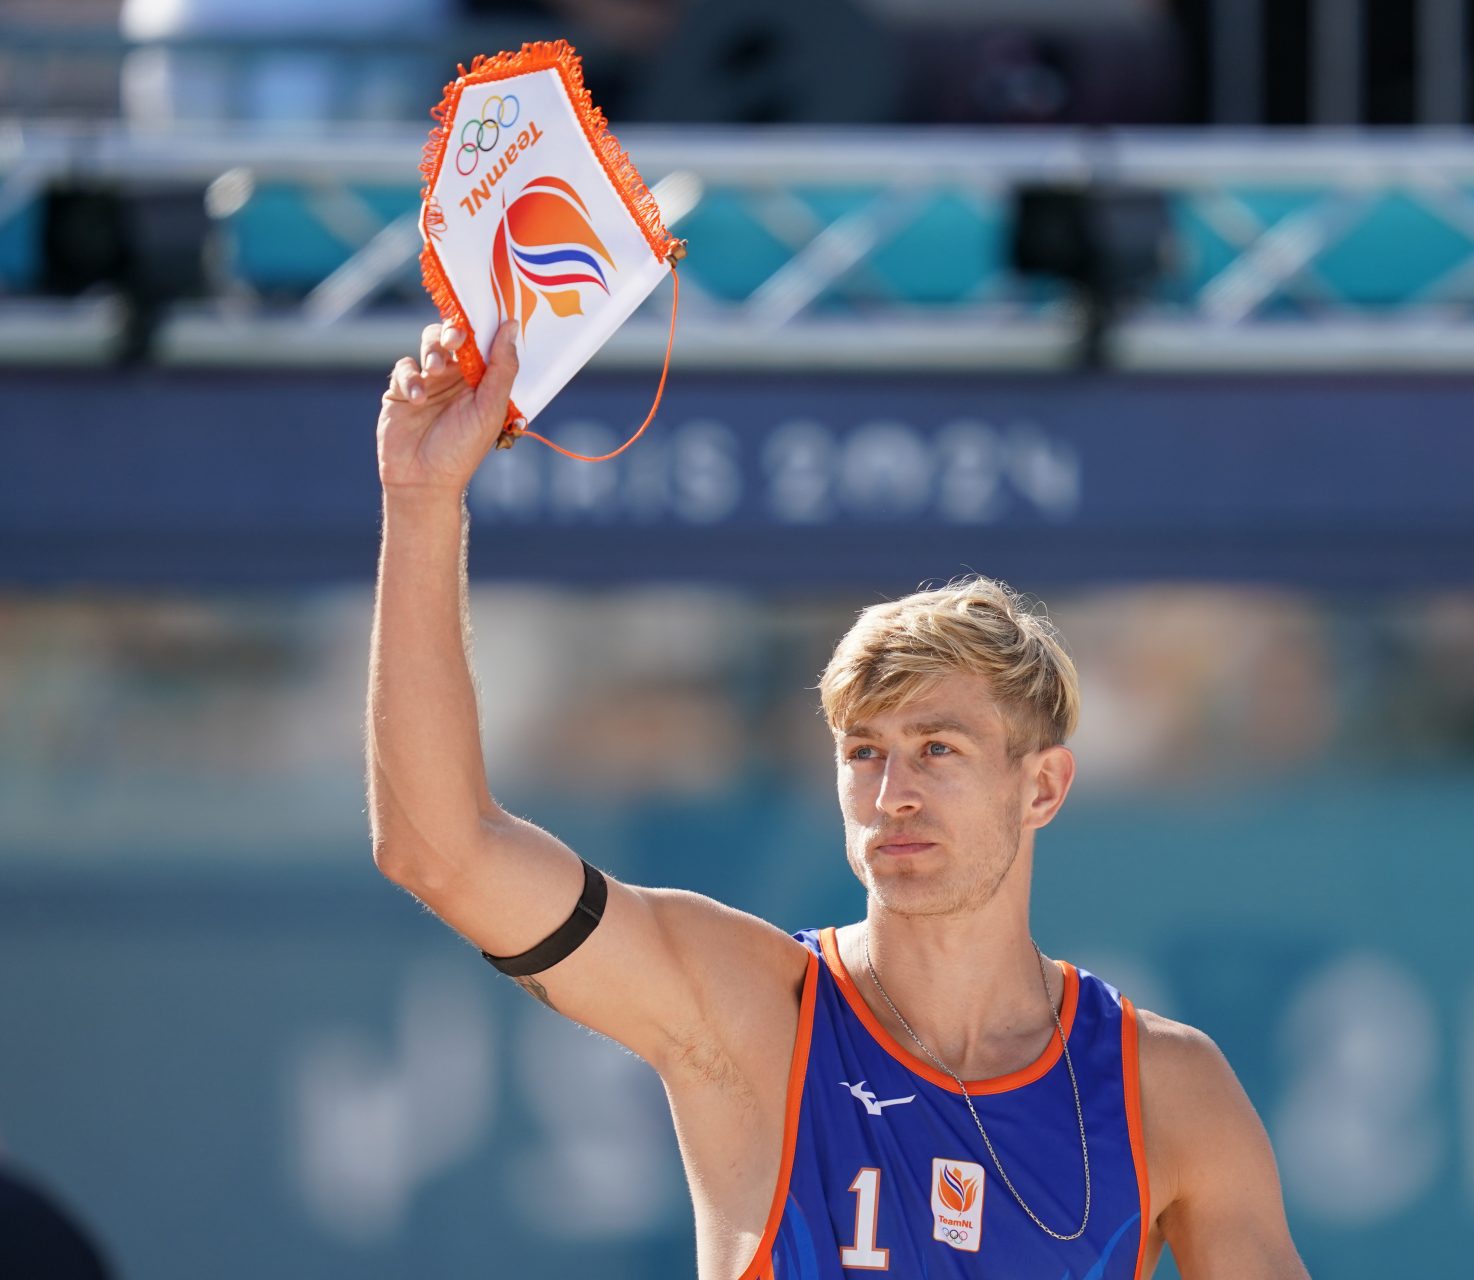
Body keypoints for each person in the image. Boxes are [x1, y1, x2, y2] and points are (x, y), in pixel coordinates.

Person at [368, 320, 1311, 1278]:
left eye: (938, 749)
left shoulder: (1163, 1087)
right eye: (865, 752)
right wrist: (421, 499)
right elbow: (439, 852)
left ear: (1043, 787)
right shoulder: (754, 1009)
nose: (893, 793)